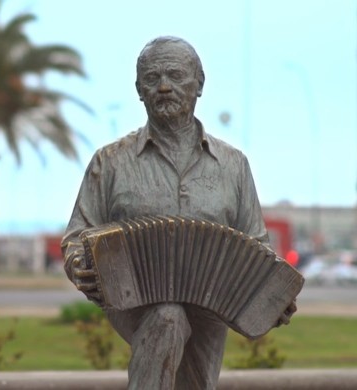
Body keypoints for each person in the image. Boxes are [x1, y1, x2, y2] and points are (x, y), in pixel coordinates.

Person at [61, 36, 296, 389]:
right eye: (152, 78)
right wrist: (82, 266)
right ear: (138, 89)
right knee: (167, 317)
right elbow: (77, 237)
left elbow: (256, 246)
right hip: (132, 296)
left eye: (175, 75)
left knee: (197, 382)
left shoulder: (233, 165)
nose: (164, 87)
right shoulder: (109, 162)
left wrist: (273, 295)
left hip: (212, 301)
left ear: (199, 84)